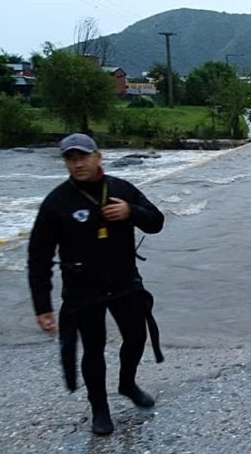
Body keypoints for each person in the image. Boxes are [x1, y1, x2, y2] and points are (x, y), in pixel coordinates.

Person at [28, 133, 165, 435]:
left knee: (135, 338)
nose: (78, 164)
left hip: (125, 282)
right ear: (65, 162)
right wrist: (42, 306)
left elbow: (156, 221)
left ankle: (127, 383)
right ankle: (100, 408)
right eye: (70, 159)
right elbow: (38, 257)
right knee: (93, 349)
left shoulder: (120, 189)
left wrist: (132, 212)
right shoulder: (57, 202)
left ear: (98, 156)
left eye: (83, 157)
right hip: (82, 289)